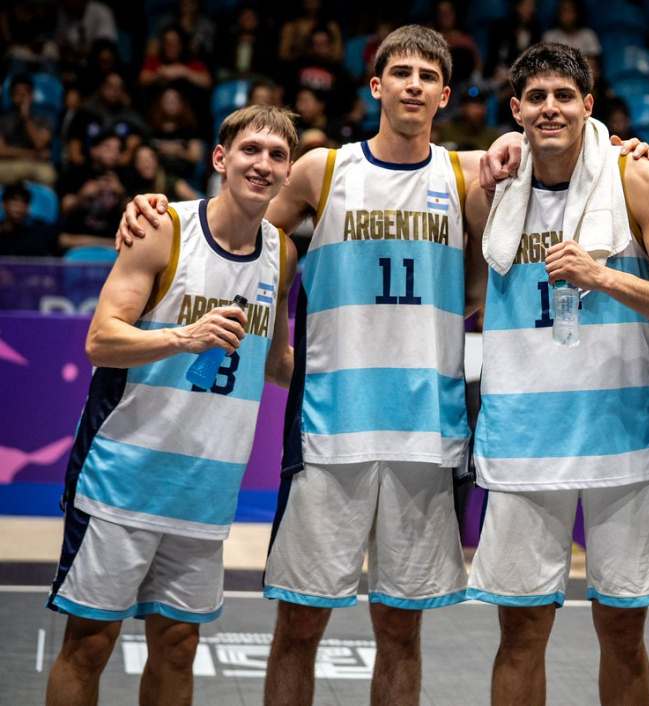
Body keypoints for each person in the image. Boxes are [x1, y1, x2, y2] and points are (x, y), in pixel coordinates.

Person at [117, 25, 498, 706]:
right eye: (400, 72)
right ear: (375, 84)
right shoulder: (325, 168)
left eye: (427, 76)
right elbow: (241, 213)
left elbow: (540, 147)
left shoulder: (465, 172)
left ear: (445, 94)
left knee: (401, 631)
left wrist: (627, 144)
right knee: (298, 623)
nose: (413, 84)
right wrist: (158, 210)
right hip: (328, 434)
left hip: (425, 435)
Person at [464, 42, 649, 706]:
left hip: (623, 443)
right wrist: (488, 158)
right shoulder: (488, 183)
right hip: (522, 440)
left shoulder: (635, 179)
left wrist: (601, 274)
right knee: (519, 637)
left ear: (589, 106)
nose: (551, 108)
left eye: (564, 96)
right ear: (515, 109)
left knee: (623, 636)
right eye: (537, 97)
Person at [44, 104, 299, 706]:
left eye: (276, 155)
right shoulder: (164, 228)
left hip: (205, 488)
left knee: (180, 642)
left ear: (289, 174)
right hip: (122, 478)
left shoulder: (282, 253)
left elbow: (276, 359)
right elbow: (100, 340)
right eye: (250, 150)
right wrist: (183, 336)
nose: (262, 164)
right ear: (220, 159)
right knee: (89, 642)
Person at [0, 73, 57, 186]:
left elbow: (40, 144)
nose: (21, 97)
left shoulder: (45, 118)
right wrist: (31, 154)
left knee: (48, 175)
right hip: (9, 164)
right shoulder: (2, 118)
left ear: (32, 95)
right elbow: (1, 150)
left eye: (25, 93)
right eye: (17, 93)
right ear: (11, 95)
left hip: (35, 165)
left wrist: (26, 118)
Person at [0, 180, 59, 256]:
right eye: (14, 200)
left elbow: (61, 240)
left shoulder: (40, 230)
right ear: (4, 204)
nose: (19, 205)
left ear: (28, 207)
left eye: (24, 202)